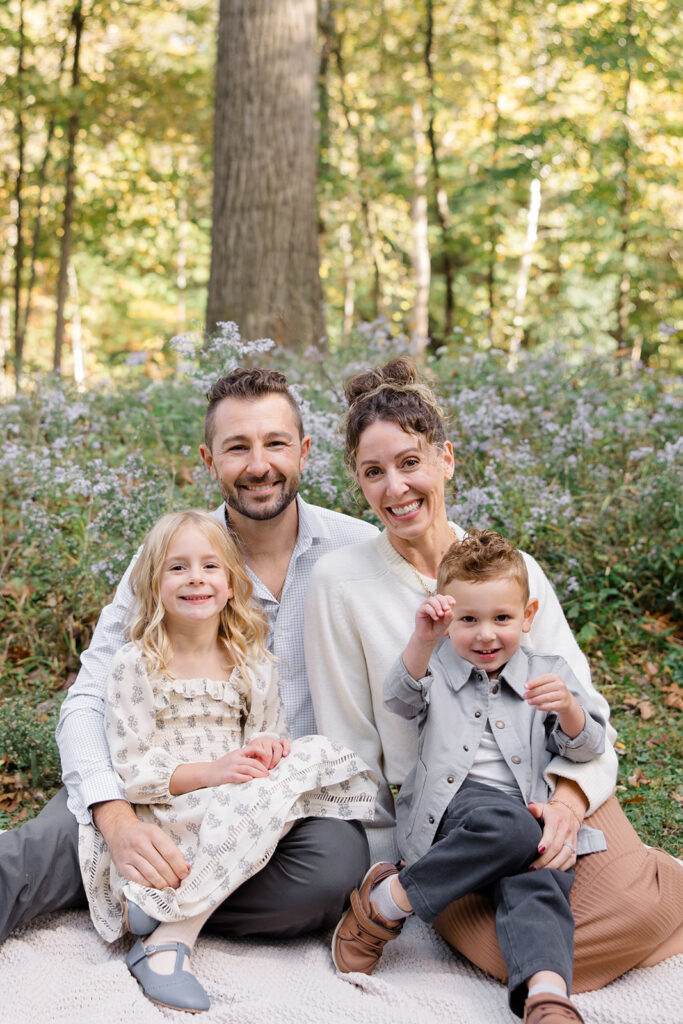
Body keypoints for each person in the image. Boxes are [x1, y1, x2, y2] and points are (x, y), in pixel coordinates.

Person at [304, 357, 683, 993]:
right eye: (373, 472)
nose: (395, 488)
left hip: (546, 779)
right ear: (358, 482)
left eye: (410, 462)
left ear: (446, 459)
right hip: (451, 815)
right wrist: (389, 866)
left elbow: (585, 710)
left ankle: (640, 888)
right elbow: (352, 749)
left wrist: (566, 804)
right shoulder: (339, 583)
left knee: (637, 913)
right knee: (517, 954)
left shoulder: (513, 571)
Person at [0, 368, 378, 946]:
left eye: (275, 443)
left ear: (303, 451)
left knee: (332, 872)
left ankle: (137, 895)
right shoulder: (169, 561)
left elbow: (450, 591)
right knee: (28, 858)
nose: (258, 465)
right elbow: (89, 697)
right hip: (152, 787)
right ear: (209, 460)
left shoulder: (359, 551)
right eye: (237, 447)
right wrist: (114, 818)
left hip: (269, 808)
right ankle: (125, 869)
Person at [80, 508, 375, 1011]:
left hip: (237, 803)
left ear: (234, 584)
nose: (196, 577)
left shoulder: (251, 659)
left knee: (309, 758)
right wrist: (213, 772)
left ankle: (165, 917)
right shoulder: (136, 662)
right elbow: (132, 770)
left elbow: (267, 732)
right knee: (270, 800)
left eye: (210, 566)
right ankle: (168, 943)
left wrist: (267, 748)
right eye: (178, 567)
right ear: (153, 584)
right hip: (174, 808)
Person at [333, 529, 607, 1024]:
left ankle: (546, 995)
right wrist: (423, 639)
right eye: (468, 620)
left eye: (502, 618)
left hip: (524, 807)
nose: (485, 635)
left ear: (527, 616)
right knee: (515, 828)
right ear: (449, 621)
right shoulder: (437, 667)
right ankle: (387, 904)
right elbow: (398, 700)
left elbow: (587, 746)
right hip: (453, 805)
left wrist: (568, 709)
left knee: (540, 875)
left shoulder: (548, 672)